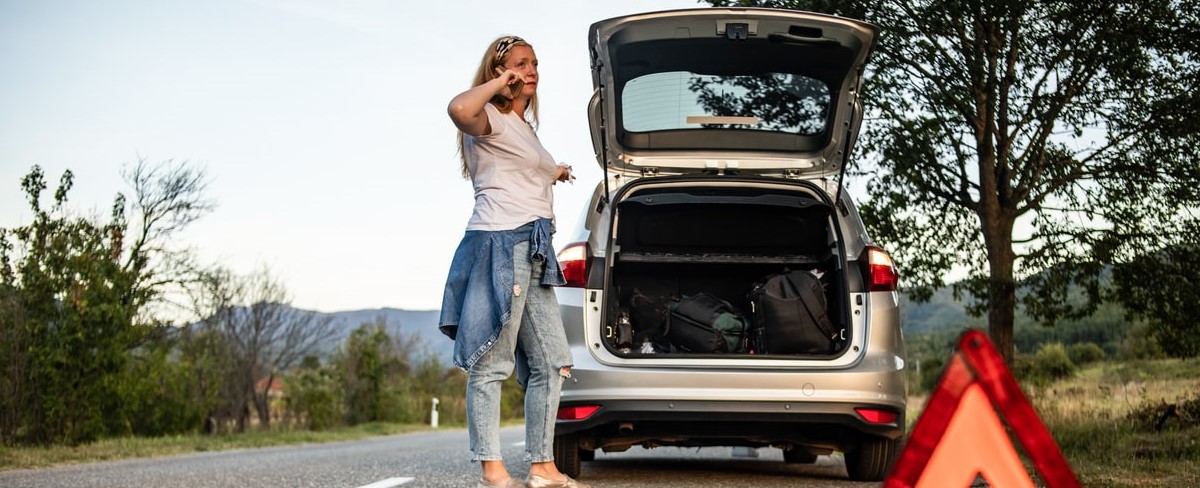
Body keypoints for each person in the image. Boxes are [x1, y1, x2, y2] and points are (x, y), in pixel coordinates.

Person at [438, 35, 588, 488]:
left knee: (552, 362)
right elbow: (458, 109)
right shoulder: (489, 117)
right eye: (520, 64)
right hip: (501, 244)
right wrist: (499, 82)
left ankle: (543, 468)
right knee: (493, 362)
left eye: (534, 63)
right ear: (498, 70)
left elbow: (525, 168)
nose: (531, 70)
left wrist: (555, 171)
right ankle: (493, 471)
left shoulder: (523, 127)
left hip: (535, 247)